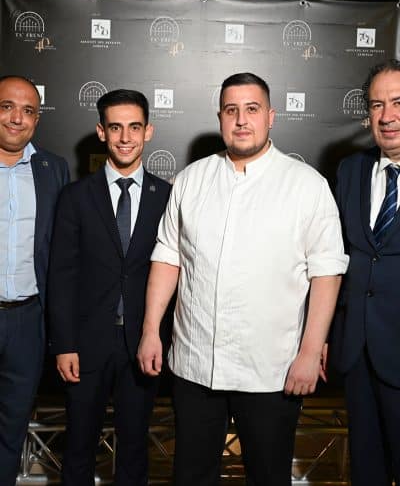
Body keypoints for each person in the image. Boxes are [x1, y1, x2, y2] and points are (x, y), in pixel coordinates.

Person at [137, 72, 348, 486]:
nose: (241, 120)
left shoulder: (307, 185)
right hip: (195, 365)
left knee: (268, 477)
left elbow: (326, 273)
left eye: (252, 109)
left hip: (271, 370)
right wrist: (149, 330)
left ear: (270, 116)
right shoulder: (191, 179)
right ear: (220, 117)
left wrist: (309, 353)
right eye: (231, 110)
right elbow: (168, 257)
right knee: (191, 476)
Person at [47, 89, 171, 486]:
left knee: (134, 449)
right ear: (101, 132)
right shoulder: (75, 197)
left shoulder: (168, 198)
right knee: (79, 447)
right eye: (115, 128)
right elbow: (61, 275)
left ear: (148, 131)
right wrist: (64, 343)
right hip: (86, 344)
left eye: (134, 127)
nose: (125, 137)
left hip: (142, 344)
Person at [330, 59, 400, 486]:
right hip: (357, 353)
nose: (387, 116)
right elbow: (337, 259)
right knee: (366, 471)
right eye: (377, 105)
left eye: (398, 103)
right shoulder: (350, 170)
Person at [0, 75, 69, 486]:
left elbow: (61, 253)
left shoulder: (52, 169)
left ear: (37, 119)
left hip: (28, 320)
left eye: (28, 110)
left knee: (12, 425)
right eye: (7, 106)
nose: (17, 118)